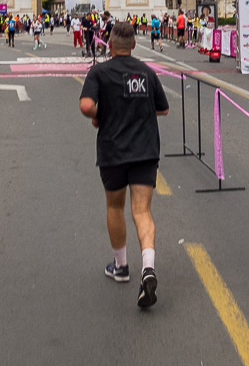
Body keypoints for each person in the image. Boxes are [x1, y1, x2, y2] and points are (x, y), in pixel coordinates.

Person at [79, 22, 170, 307]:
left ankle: (120, 266)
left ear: (108, 43)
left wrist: (101, 112)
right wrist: (137, 106)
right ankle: (148, 268)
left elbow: (86, 106)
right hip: (144, 150)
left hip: (113, 150)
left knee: (115, 206)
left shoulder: (99, 72)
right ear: (133, 44)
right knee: (142, 211)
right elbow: (163, 108)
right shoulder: (147, 72)